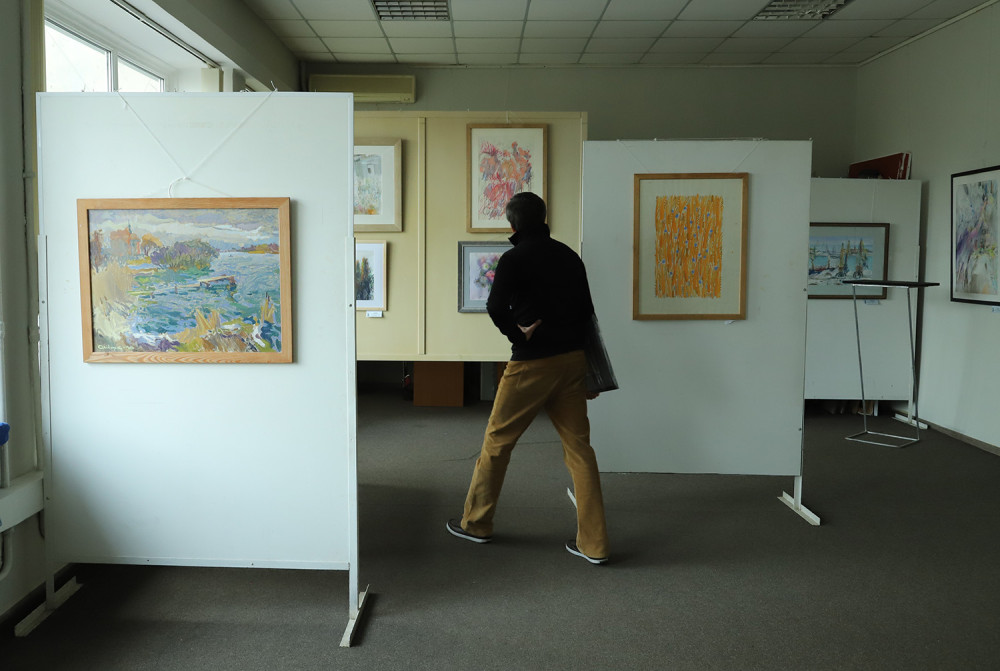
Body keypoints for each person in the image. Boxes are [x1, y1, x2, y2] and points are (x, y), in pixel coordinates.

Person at [446, 191, 610, 565]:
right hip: (572, 362)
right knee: (580, 451)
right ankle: (596, 544)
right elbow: (587, 314)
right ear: (544, 217)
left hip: (532, 365)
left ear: (512, 223)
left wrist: (518, 336)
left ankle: (476, 523)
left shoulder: (514, 258)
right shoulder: (569, 256)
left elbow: (494, 306)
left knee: (497, 441)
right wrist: (591, 372)